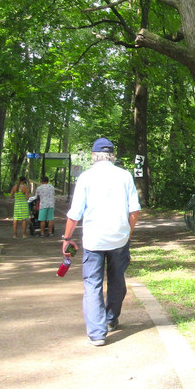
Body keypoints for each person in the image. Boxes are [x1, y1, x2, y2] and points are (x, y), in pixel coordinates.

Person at [62, 138, 141, 346]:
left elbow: (74, 213)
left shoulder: (86, 177)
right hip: (119, 239)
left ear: (94, 156)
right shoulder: (125, 176)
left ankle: (97, 333)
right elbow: (135, 211)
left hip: (93, 240)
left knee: (92, 285)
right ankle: (110, 319)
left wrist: (67, 238)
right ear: (113, 155)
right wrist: (128, 233)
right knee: (117, 280)